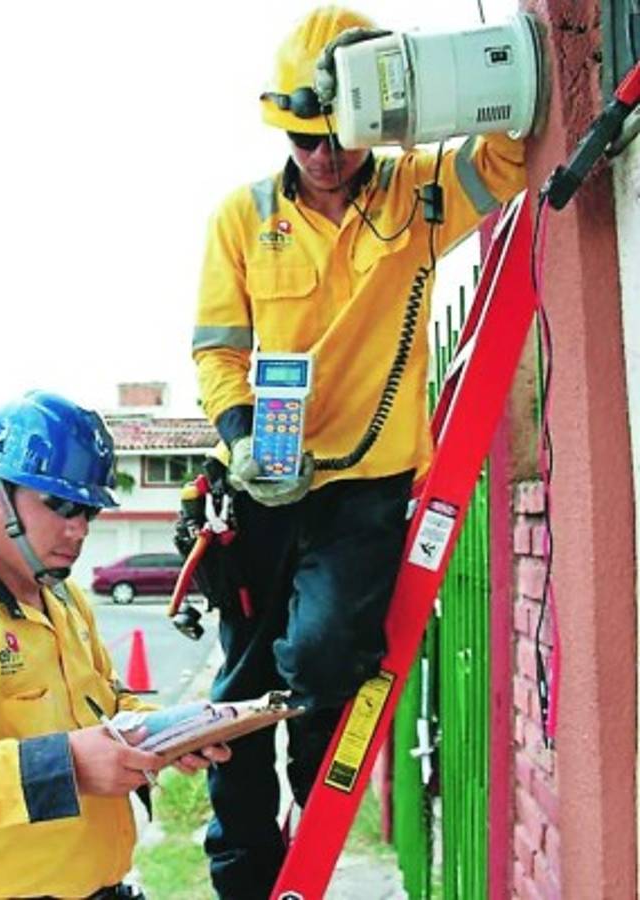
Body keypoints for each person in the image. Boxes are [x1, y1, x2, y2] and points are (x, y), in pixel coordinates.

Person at [189, 6, 527, 897]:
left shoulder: (417, 192)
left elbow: (512, 155)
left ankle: (314, 842)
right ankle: (245, 877)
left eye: (336, 134)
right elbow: (217, 351)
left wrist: (415, 95)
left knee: (323, 660)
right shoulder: (241, 218)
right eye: (302, 139)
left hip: (365, 490)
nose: (320, 156)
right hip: (264, 485)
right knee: (242, 692)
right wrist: (236, 439)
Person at [0, 390, 230, 900]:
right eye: (58, 505)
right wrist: (65, 766)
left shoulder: (64, 598)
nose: (76, 530)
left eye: (88, 512)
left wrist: (169, 730)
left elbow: (105, 704)